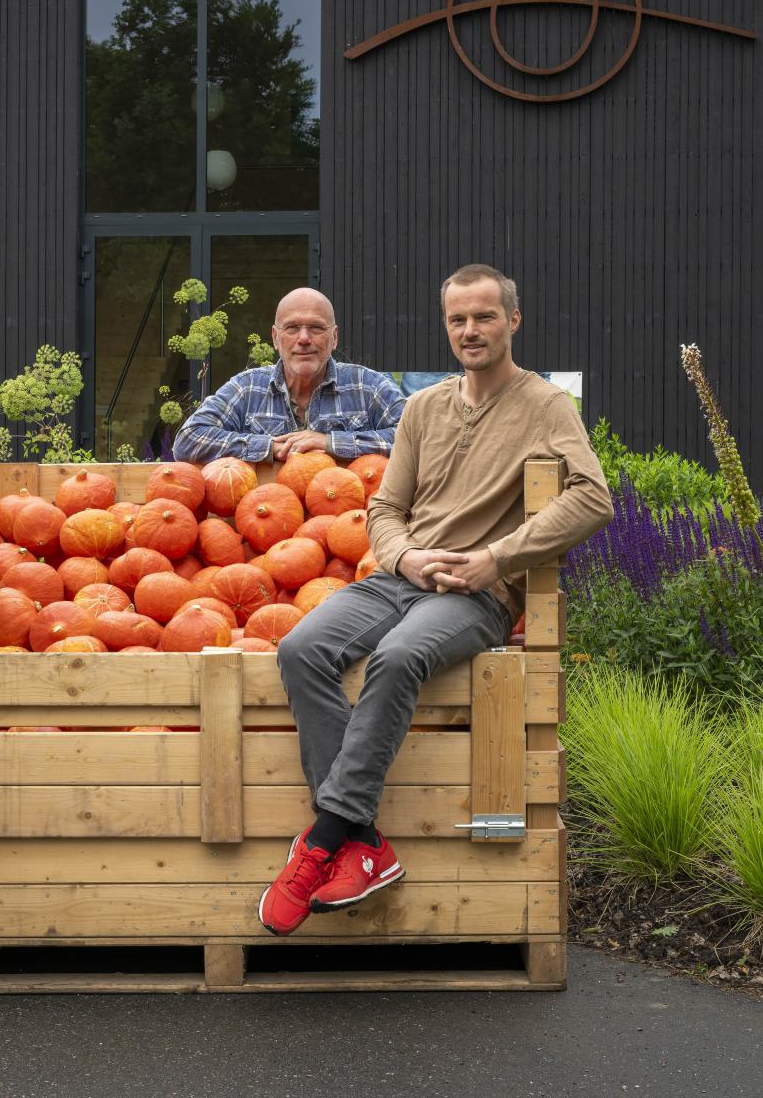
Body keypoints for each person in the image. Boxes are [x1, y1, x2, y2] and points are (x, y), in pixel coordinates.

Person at [260, 263, 612, 936]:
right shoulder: (423, 407)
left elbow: (593, 499)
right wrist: (404, 556)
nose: (470, 330)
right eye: (458, 319)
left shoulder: (546, 407)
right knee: (302, 647)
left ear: (513, 321)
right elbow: (385, 508)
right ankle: (363, 842)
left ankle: (323, 840)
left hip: (477, 594)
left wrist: (496, 559)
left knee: (397, 659)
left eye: (484, 316)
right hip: (403, 577)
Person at [172, 287, 405, 464]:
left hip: (348, 510)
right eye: (292, 328)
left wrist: (331, 442)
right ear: (275, 338)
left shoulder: (368, 386)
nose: (303, 338)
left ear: (334, 338)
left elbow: (415, 438)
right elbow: (188, 439)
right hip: (264, 511)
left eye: (316, 327)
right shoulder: (247, 388)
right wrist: (268, 447)